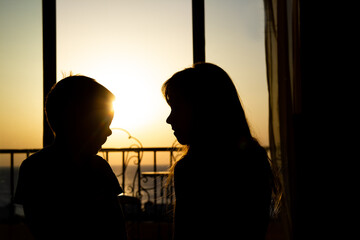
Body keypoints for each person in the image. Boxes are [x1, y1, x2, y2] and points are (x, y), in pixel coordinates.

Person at [162, 63, 281, 240]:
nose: (169, 119)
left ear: (202, 109)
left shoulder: (191, 169)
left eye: (176, 108)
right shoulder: (254, 158)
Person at [15, 75, 127, 239]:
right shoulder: (99, 168)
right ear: (74, 121)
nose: (109, 131)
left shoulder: (33, 167)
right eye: (102, 123)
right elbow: (117, 227)